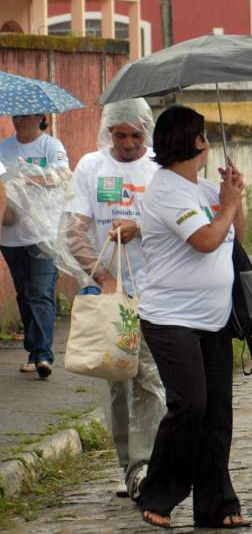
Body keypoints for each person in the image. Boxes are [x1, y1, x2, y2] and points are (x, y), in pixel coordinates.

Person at [136, 106, 248, 529]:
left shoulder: (201, 189)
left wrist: (233, 198)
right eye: (203, 136)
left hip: (213, 319)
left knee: (217, 413)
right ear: (195, 141)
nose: (208, 142)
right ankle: (158, 492)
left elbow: (235, 234)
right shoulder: (166, 190)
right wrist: (227, 207)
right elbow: (205, 240)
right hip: (171, 319)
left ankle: (216, 504)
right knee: (190, 405)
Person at [57, 99, 166, 500]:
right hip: (111, 296)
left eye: (135, 135)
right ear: (108, 133)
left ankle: (147, 463)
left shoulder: (159, 166)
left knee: (151, 382)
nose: (127, 143)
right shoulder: (90, 167)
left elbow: (173, 222)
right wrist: (102, 276)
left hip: (154, 289)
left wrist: (140, 226)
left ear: (146, 132)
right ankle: (127, 465)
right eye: (119, 135)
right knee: (117, 384)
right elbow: (74, 231)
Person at [0, 112, 69, 378]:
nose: (20, 121)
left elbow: (62, 174)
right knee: (24, 294)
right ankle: (33, 350)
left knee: (41, 292)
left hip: (44, 233)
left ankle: (42, 355)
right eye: (16, 116)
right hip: (10, 234)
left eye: (26, 117)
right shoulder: (4, 148)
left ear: (40, 118)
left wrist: (28, 179)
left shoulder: (51, 146)